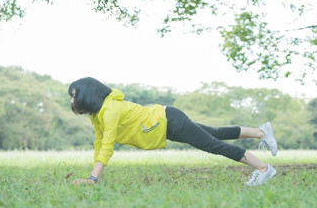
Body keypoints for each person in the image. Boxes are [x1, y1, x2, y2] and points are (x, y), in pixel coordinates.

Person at [69, 77, 277, 186]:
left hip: (169, 121)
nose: (72, 101)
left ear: (88, 94)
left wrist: (93, 179)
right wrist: (94, 176)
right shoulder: (98, 114)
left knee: (213, 145)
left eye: (74, 96)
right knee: (216, 133)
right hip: (166, 123)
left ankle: (263, 168)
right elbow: (100, 141)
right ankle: (261, 132)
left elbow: (108, 145)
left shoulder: (110, 109)